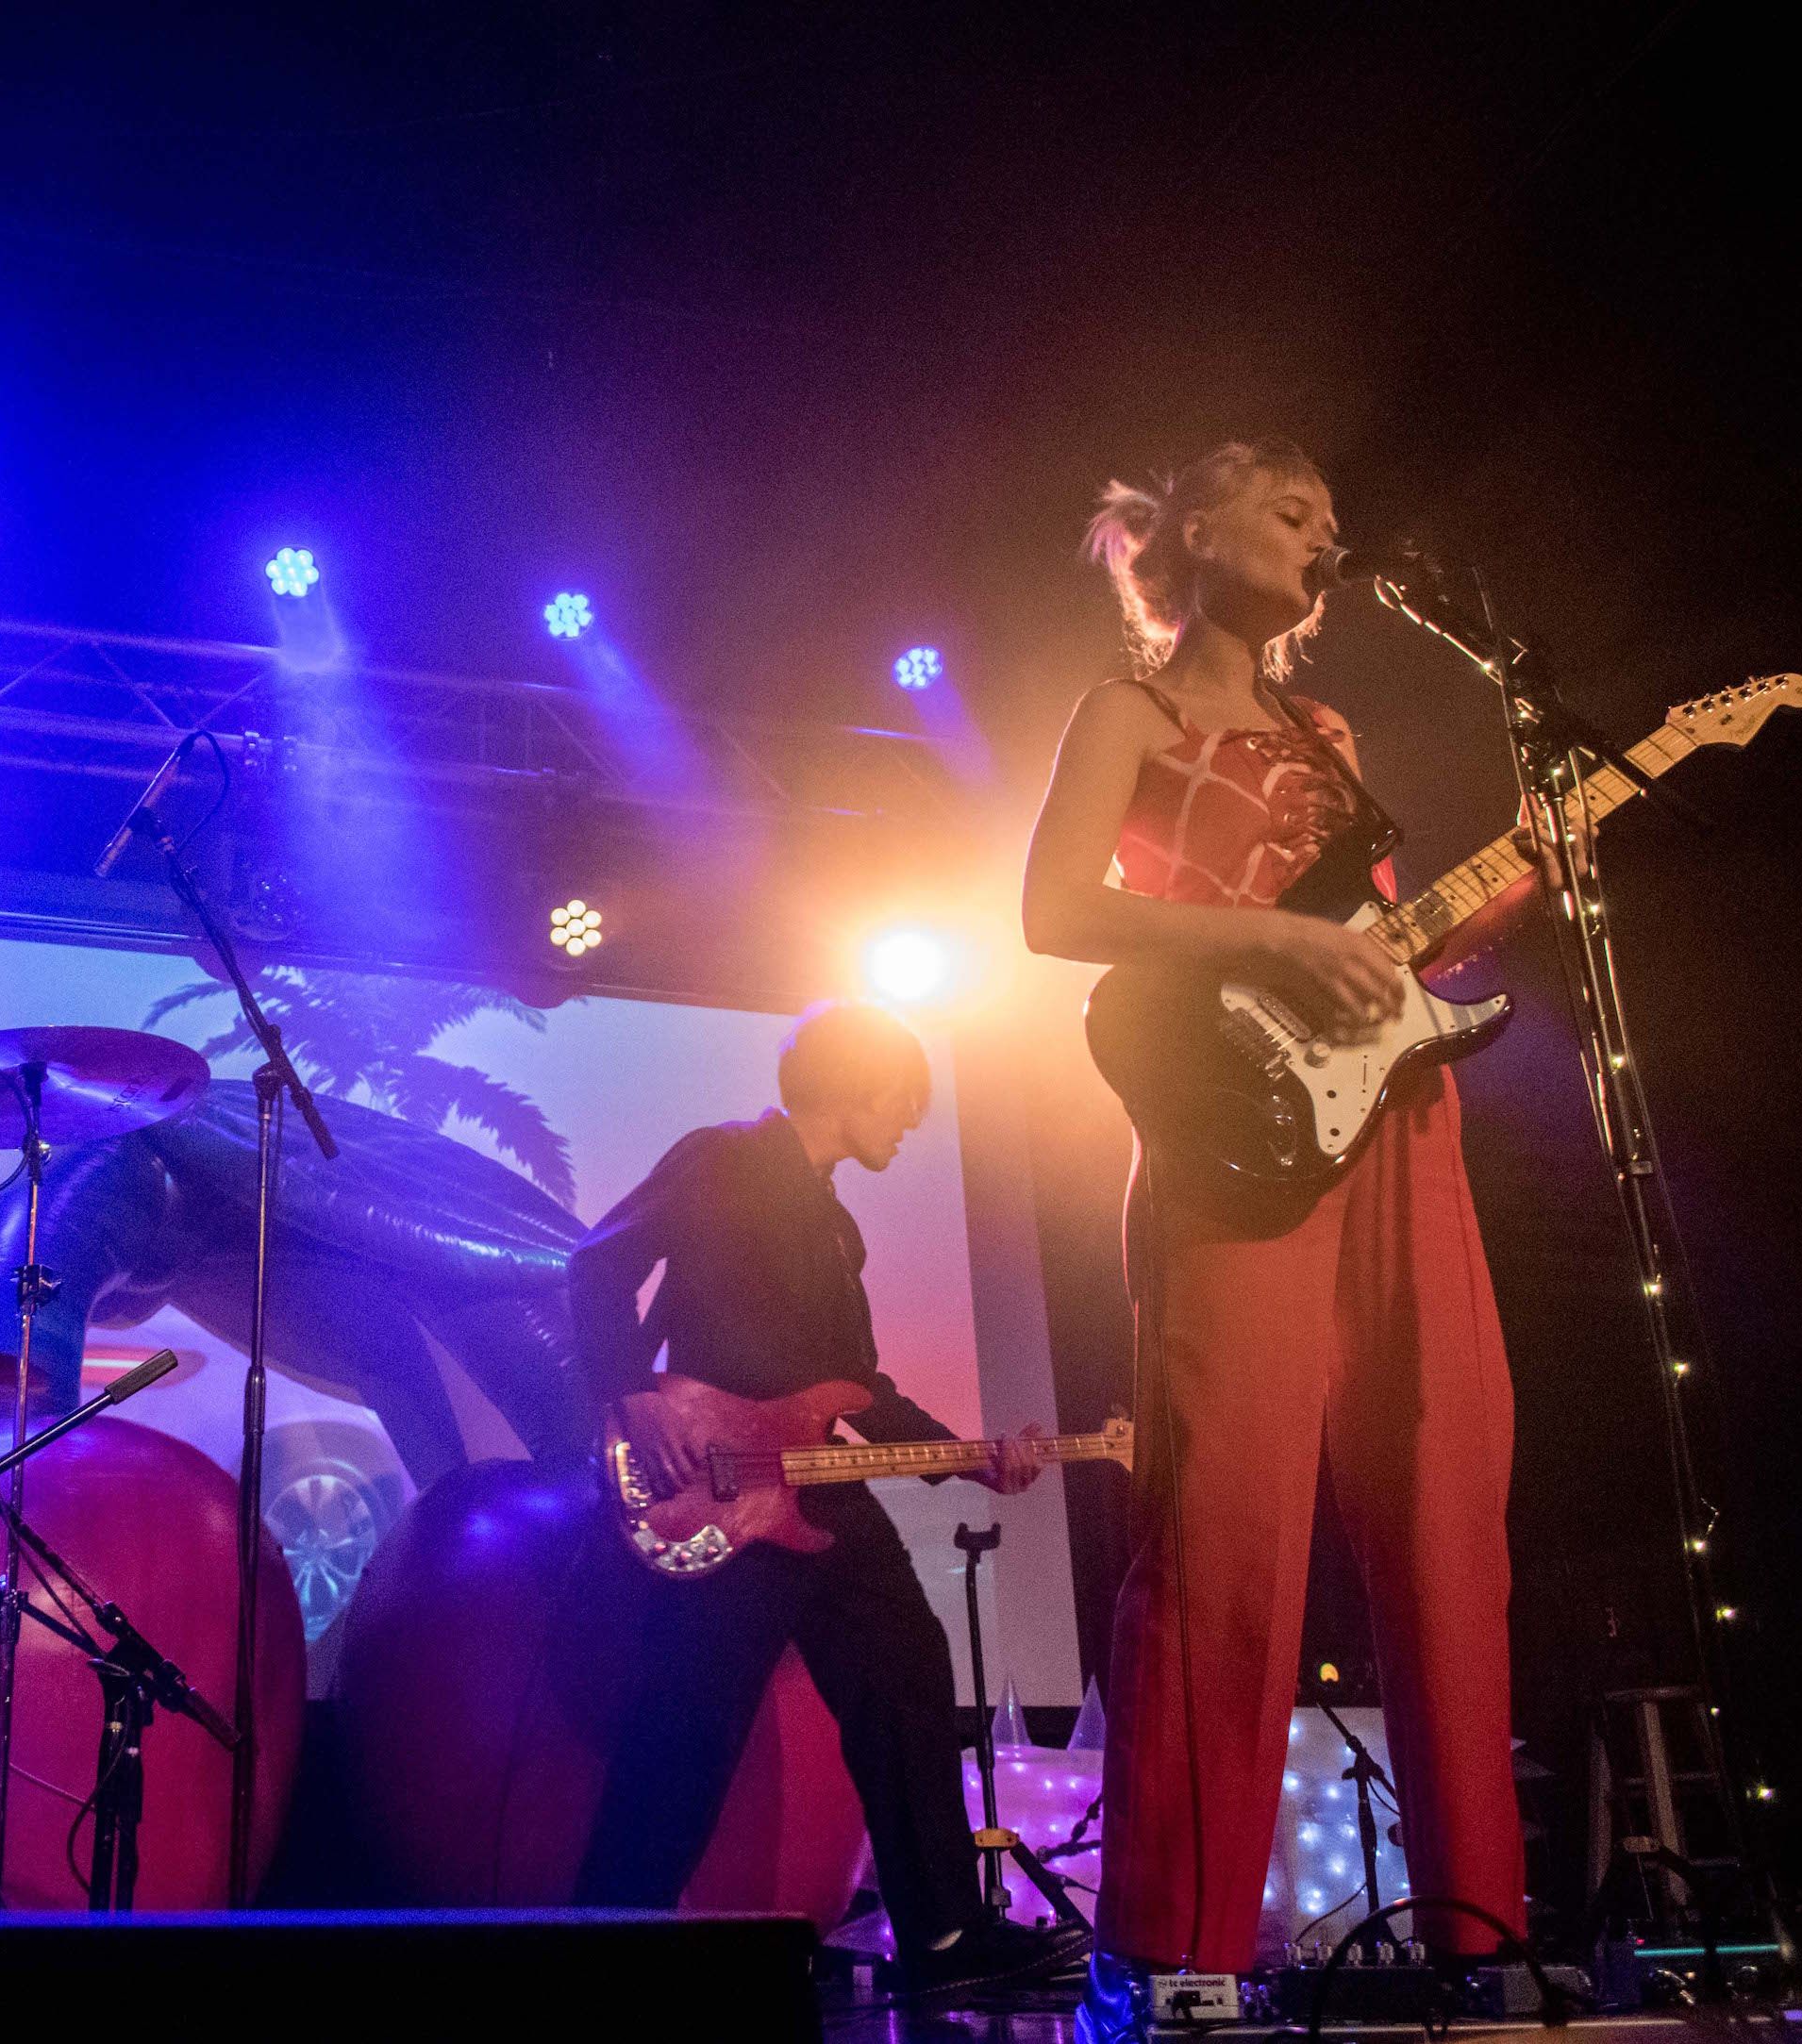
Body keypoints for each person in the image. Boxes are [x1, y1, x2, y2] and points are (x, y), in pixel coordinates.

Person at [1019, 441, 1532, 2036]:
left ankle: (1483, 1927)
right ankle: (1175, 1942)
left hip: (1398, 1128)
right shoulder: (1134, 712)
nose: (1326, 530)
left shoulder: (1331, 729)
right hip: (1233, 1139)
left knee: (1449, 1492)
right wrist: (1271, 931)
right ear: (1199, 530)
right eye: (1293, 506)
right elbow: (1052, 911)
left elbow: (1375, 949)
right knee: (1227, 1519)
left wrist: (1523, 870)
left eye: (1327, 513)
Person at [568, 1001, 1058, 1995]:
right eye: (905, 1100)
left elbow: (854, 1388)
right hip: (714, 1487)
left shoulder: (835, 1225)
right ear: (853, 1084)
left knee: (909, 1679)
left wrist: (972, 1457)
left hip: (813, 1492)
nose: (911, 1122)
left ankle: (942, 1941)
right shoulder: (722, 1155)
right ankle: (601, 1951)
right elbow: (597, 1264)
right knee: (686, 1724)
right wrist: (628, 1390)